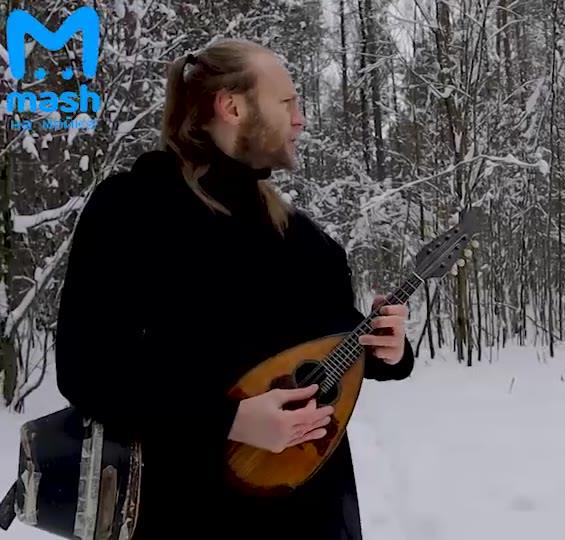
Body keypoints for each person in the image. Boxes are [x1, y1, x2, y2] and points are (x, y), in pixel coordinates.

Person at [54, 38, 415, 539]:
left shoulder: (306, 242)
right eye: (287, 102)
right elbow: (89, 370)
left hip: (311, 512)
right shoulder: (134, 209)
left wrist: (387, 350)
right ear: (232, 106)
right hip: (186, 512)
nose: (301, 119)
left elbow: (335, 341)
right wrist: (227, 420)